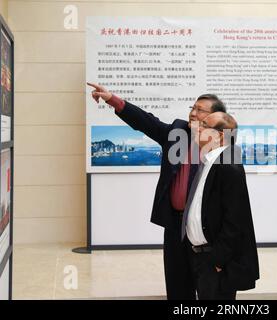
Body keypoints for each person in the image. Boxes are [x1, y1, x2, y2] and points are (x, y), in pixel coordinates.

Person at [87, 82, 226, 300]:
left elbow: (232, 203)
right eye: (193, 107)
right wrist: (111, 98)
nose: (193, 113)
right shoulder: (177, 133)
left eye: (200, 110)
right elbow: (146, 121)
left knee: (210, 289)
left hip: (207, 232)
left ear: (216, 118)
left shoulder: (222, 148)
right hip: (176, 227)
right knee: (178, 288)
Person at [183, 111, 259, 299]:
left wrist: (217, 260)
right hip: (200, 257)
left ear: (220, 135)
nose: (197, 128)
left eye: (204, 125)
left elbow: (235, 220)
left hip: (215, 262)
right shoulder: (209, 161)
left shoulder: (229, 165)